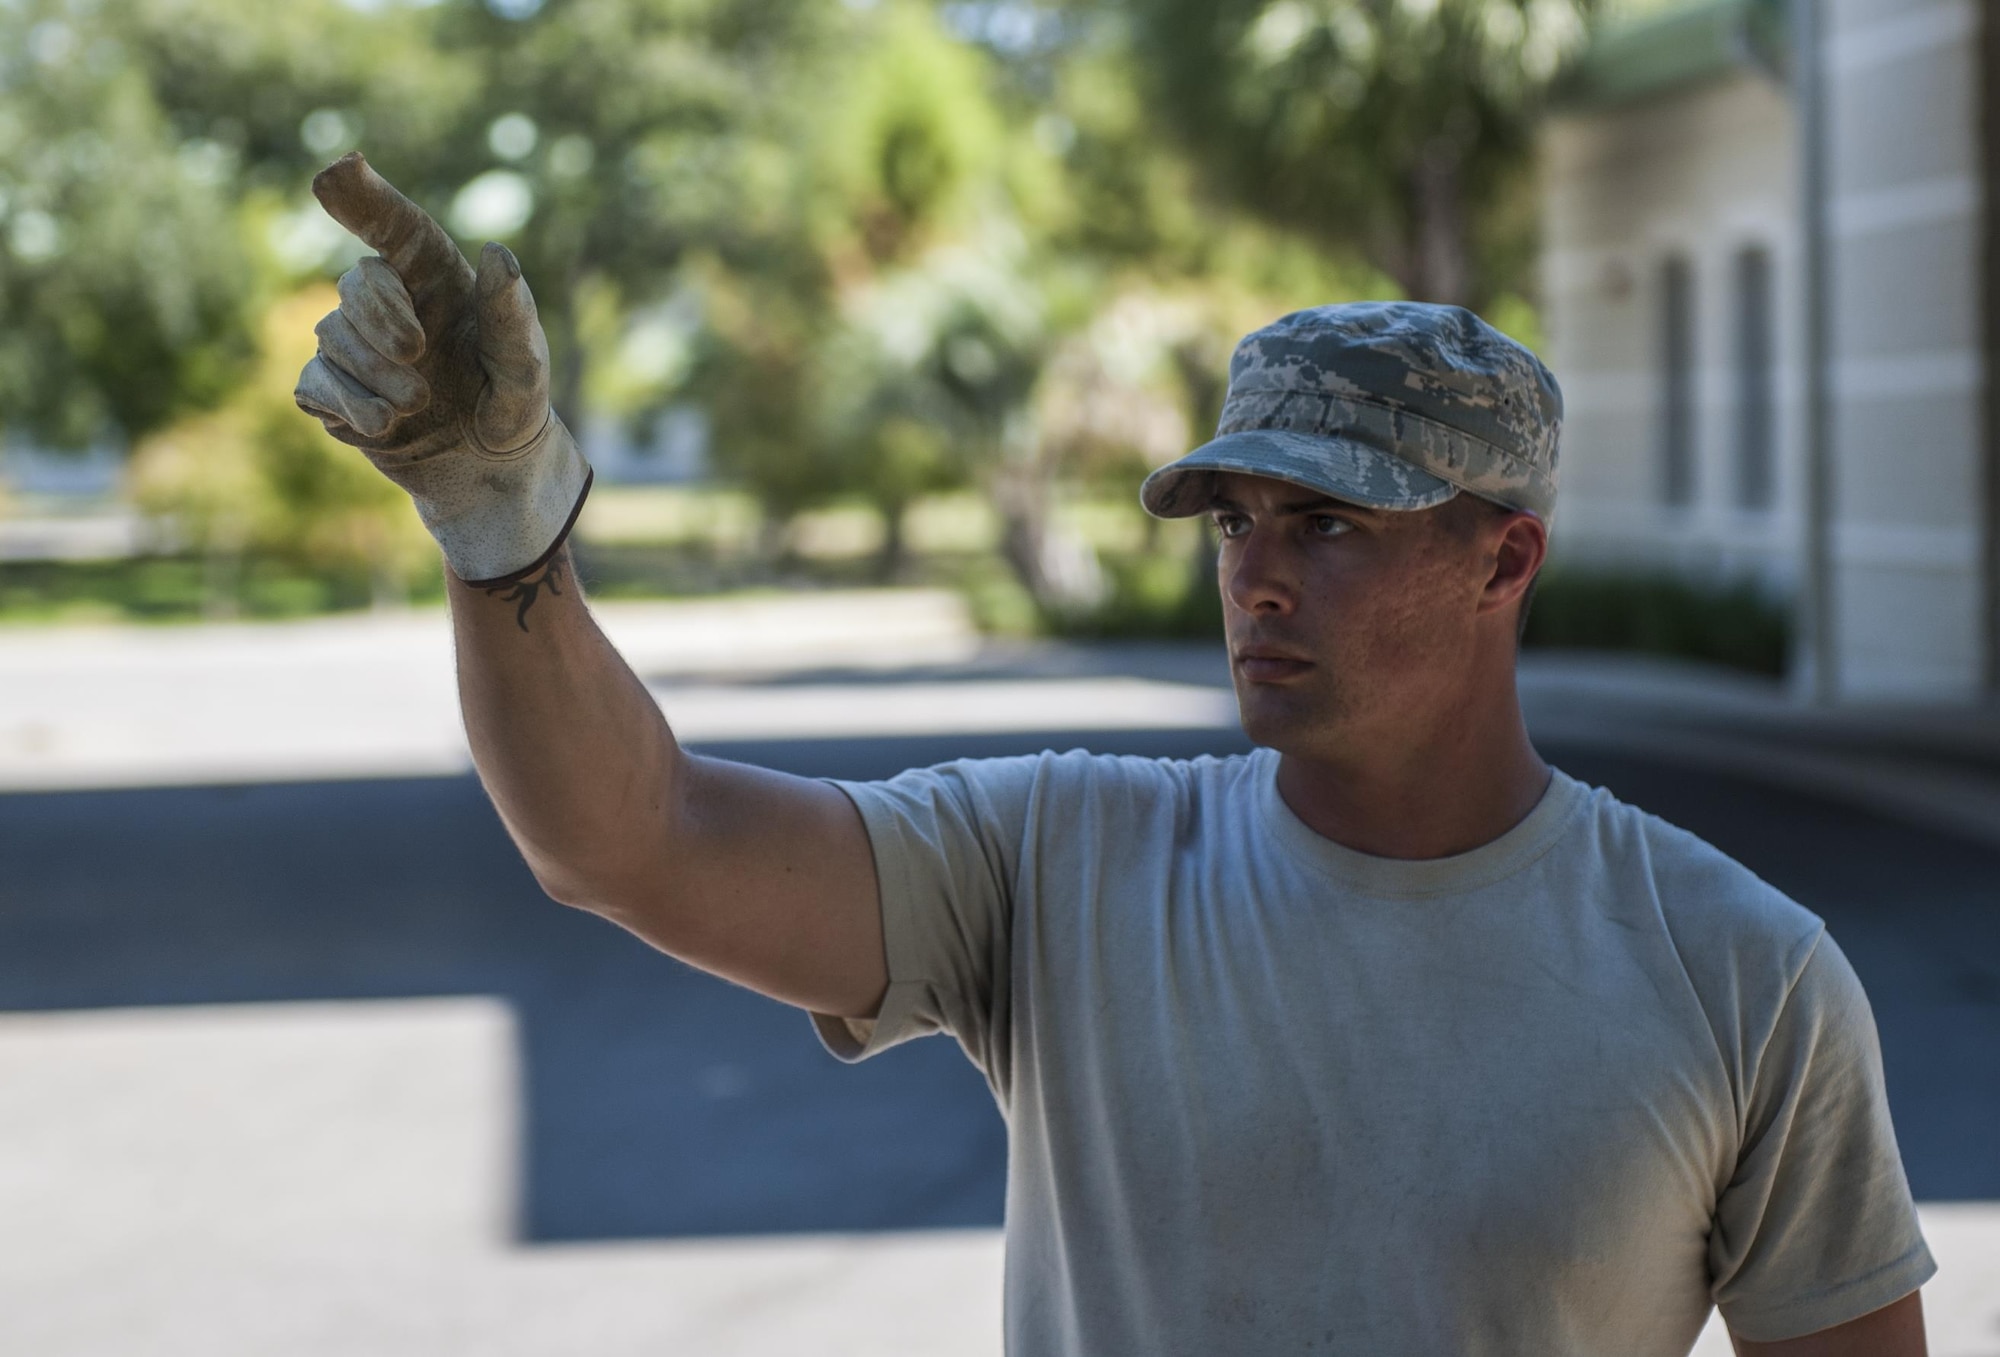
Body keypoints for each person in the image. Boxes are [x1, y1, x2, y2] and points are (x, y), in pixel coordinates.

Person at [295, 152, 1935, 1356]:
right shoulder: (1061, 860)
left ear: (1504, 562)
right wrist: (503, 531)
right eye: (1237, 516)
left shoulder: (1737, 971)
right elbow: (628, 838)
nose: (1255, 570)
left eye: (1330, 522)